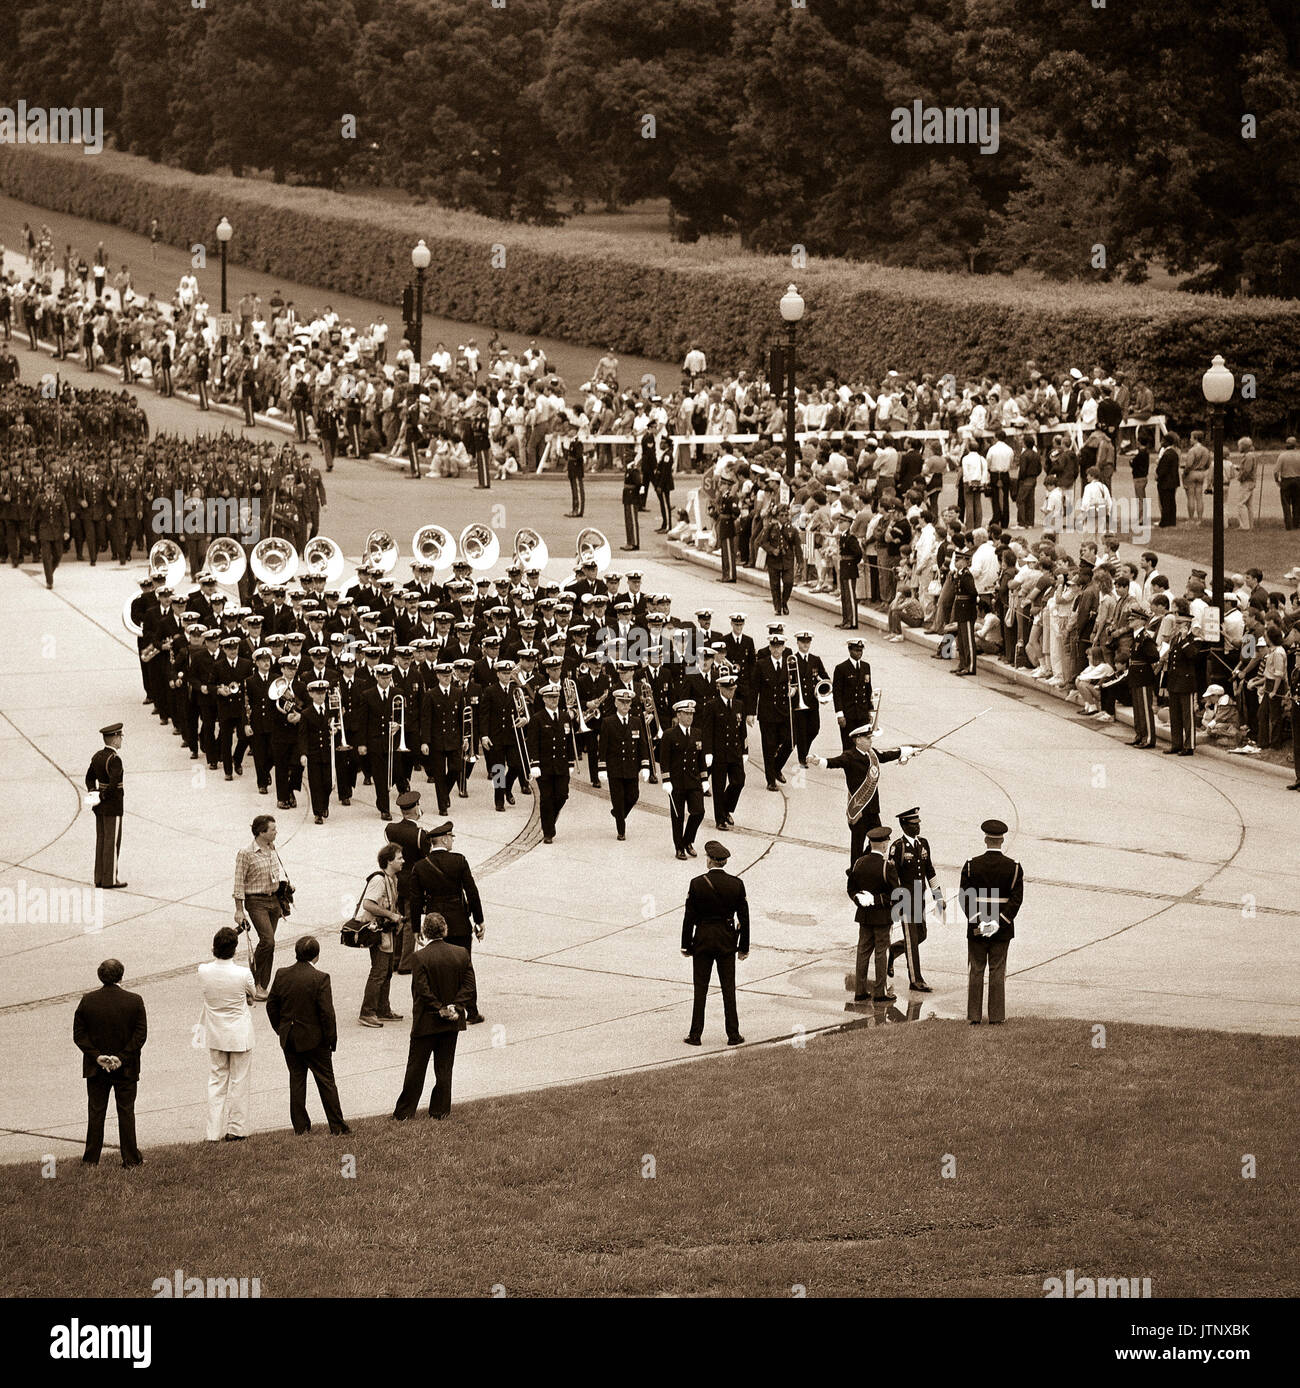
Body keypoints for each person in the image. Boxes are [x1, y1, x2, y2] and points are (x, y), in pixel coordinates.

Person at [392, 912, 476, 1121]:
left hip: (426, 1021)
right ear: (445, 929)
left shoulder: (420, 957)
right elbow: (469, 986)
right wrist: (455, 1007)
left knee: (416, 1068)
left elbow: (421, 989)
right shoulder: (461, 953)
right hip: (452, 1020)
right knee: (445, 1067)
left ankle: (404, 1112)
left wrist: (439, 1007)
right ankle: (440, 1110)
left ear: (426, 932)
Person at [265, 935, 350, 1136]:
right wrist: (331, 1039)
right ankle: (337, 1126)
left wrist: (282, 1028)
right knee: (326, 1082)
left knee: (297, 1080)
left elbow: (271, 1005)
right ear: (316, 956)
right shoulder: (320, 978)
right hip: (315, 1040)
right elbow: (327, 1013)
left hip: (290, 1037)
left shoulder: (281, 974)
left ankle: (301, 1127)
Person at [407, 820, 486, 1023]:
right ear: (443, 838)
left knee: (436, 965)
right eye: (451, 837)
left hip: (435, 922)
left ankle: (440, 1007)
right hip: (459, 920)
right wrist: (479, 920)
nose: (452, 840)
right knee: (465, 965)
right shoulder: (459, 861)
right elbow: (472, 892)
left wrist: (416, 928)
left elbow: (415, 900)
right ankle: (471, 1010)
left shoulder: (420, 866)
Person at [73, 958, 146, 1167]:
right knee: (126, 1111)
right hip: (126, 1067)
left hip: (96, 1068)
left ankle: (91, 1159)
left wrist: (96, 1056)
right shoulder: (134, 1000)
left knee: (96, 1112)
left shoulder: (88, 1001)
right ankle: (131, 1158)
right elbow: (140, 1036)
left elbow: (79, 1035)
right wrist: (122, 1058)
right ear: (122, 975)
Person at [681, 840, 750, 1046]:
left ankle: (695, 1035)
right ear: (724, 862)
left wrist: (686, 945)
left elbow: (689, 917)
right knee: (729, 989)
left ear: (710, 861)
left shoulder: (696, 883)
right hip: (727, 941)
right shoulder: (736, 884)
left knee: (700, 989)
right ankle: (733, 1034)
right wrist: (743, 947)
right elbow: (744, 918)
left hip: (702, 939)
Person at [960, 819, 1024, 1024]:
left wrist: (979, 922)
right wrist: (998, 922)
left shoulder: (971, 865)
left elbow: (965, 897)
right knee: (997, 971)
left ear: (985, 839)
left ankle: (974, 1017)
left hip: (977, 928)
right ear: (1002, 840)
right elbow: (1016, 900)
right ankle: (996, 1017)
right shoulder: (1013, 867)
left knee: (976, 970)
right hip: (1002, 929)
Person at [197, 926, 257, 1142]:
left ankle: (212, 1132)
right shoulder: (242, 973)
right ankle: (237, 1129)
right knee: (239, 1082)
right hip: (239, 1034)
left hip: (216, 1034)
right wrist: (247, 999)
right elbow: (254, 993)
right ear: (234, 950)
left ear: (214, 947)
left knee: (216, 1082)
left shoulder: (203, 970)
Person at [232, 813, 287, 998]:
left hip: (274, 900)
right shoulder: (245, 853)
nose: (276, 832)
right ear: (261, 832)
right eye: (273, 830)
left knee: (270, 944)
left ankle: (262, 985)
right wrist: (239, 910)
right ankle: (251, 983)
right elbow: (239, 882)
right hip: (256, 901)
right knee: (267, 941)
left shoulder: (272, 848)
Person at [886, 807, 941, 992]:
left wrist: (938, 896)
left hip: (920, 897)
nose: (917, 828)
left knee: (921, 935)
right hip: (906, 899)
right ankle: (916, 979)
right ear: (903, 825)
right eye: (913, 825)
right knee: (911, 939)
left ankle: (893, 951)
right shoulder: (898, 847)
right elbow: (892, 877)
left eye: (918, 824)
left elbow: (930, 870)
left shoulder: (923, 844)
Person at [846, 825, 900, 1001]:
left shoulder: (859, 863)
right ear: (884, 845)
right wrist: (877, 900)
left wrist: (859, 899)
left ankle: (860, 991)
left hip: (864, 916)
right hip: (882, 918)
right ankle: (880, 992)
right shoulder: (887, 867)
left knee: (863, 952)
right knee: (881, 953)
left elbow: (851, 888)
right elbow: (896, 894)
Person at [356, 843, 405, 1027]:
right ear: (389, 861)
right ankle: (367, 1012)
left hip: (388, 932)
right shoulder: (379, 880)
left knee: (387, 973)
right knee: (378, 972)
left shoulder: (393, 879)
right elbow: (368, 904)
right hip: (377, 933)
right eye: (399, 858)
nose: (403, 861)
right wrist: (391, 915)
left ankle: (383, 1008)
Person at [660, 698, 707, 859]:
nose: (689, 717)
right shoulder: (669, 735)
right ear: (678, 715)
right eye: (686, 714)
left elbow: (700, 759)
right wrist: (666, 780)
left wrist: (705, 778)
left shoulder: (697, 733)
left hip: (693, 781)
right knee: (678, 816)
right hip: (677, 783)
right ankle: (679, 847)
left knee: (699, 812)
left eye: (691, 714)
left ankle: (688, 840)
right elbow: (664, 760)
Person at [526, 682, 571, 844]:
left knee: (562, 795)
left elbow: (569, 741)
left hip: (561, 765)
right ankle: (548, 832)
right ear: (544, 699)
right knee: (546, 798)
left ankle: (549, 819)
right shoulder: (537, 719)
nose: (554, 700)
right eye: (550, 697)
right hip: (544, 766)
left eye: (556, 697)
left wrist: (571, 761)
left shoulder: (565, 716)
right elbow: (532, 743)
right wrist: (534, 764)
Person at [85, 721, 126, 889]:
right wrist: (103, 795)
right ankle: (110, 879)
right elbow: (114, 782)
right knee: (112, 841)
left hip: (99, 806)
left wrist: (93, 792)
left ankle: (99, 877)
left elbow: (89, 777)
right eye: (120, 736)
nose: (121, 739)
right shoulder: (114, 759)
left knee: (101, 840)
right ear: (114, 739)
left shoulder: (98, 756)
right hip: (113, 805)